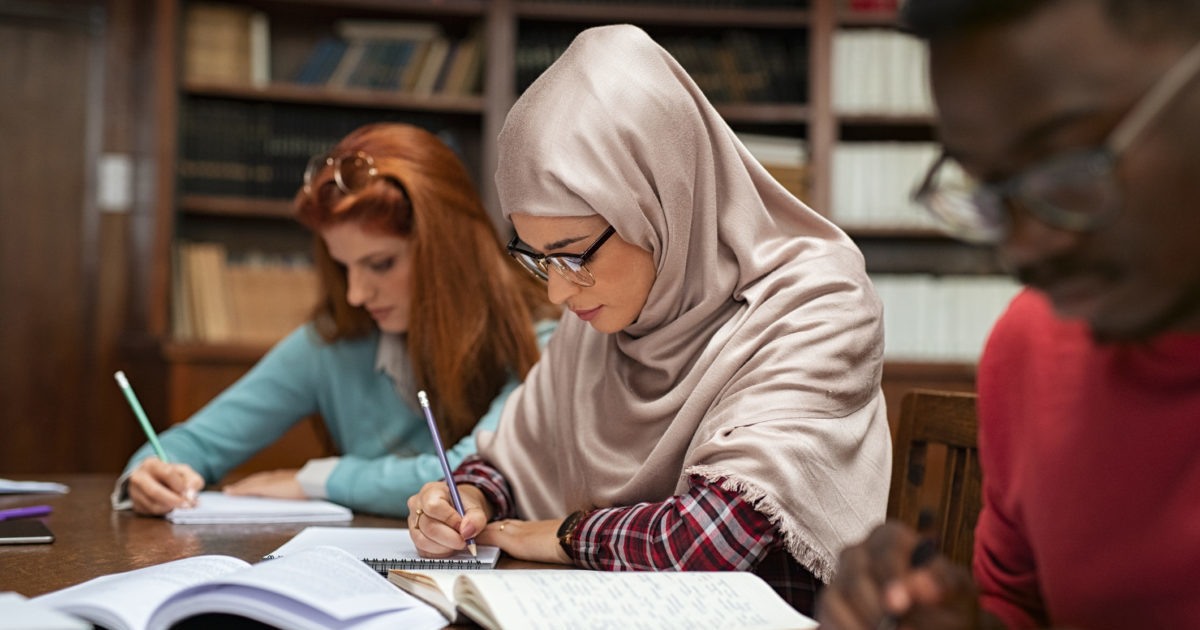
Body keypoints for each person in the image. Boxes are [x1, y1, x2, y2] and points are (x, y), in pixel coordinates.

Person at [405, 25, 892, 614]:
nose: (558, 290)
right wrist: (470, 500)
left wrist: (560, 535)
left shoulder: (819, 302)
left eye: (574, 253)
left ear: (664, 201)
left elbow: (711, 540)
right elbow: (514, 455)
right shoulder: (608, 314)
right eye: (538, 258)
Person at [816, 1, 1200, 629]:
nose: (1023, 248)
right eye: (990, 190)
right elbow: (1021, 607)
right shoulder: (1032, 348)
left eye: (1067, 166)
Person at [113, 122, 558, 518]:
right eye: (344, 267)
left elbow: (469, 473)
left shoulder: (542, 336)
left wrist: (318, 480)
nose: (356, 294)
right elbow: (194, 445)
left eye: (381, 264)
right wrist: (150, 473)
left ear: (449, 253)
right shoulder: (332, 342)